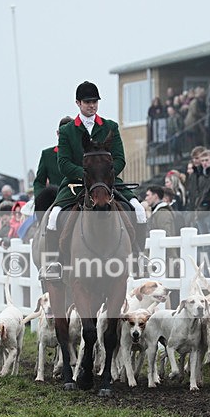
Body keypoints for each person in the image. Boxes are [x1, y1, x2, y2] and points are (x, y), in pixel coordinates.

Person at [41, 81, 146, 280]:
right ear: (78, 103)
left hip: (106, 182)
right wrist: (85, 174)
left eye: (95, 101)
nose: (92, 105)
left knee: (139, 211)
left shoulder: (110, 126)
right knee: (54, 217)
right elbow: (63, 163)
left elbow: (120, 158)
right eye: (87, 102)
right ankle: (54, 264)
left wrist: (103, 176)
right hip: (76, 183)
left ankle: (139, 257)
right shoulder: (67, 131)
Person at [34, 116, 72, 199]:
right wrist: (40, 197)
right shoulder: (47, 154)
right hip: (56, 199)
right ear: (58, 133)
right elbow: (39, 182)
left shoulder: (85, 154)